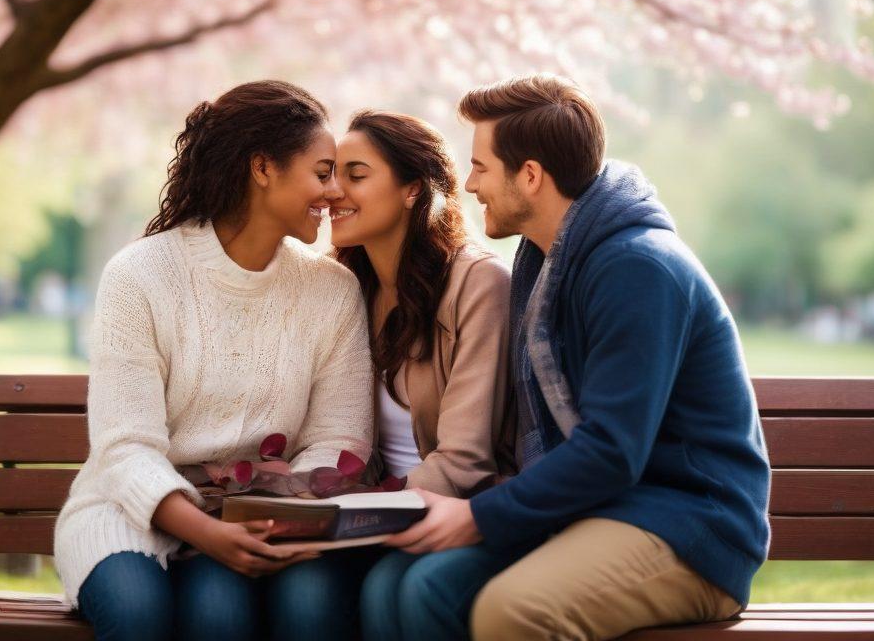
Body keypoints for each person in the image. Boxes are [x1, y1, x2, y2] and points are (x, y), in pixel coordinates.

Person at [383, 74, 771, 640]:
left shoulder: (636, 268)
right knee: (427, 586)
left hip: (690, 527)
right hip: (609, 510)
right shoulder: (549, 264)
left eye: (481, 167)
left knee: (511, 611)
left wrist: (476, 516)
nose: (468, 185)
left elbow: (612, 450)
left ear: (531, 176)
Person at [53, 81, 374, 641]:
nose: (333, 192)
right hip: (129, 512)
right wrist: (203, 529)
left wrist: (277, 517)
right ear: (262, 168)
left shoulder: (331, 290)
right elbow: (125, 447)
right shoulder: (140, 276)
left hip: (260, 521)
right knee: (136, 614)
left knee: (219, 616)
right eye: (321, 172)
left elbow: (338, 436)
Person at [325, 110, 514, 641]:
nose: (335, 191)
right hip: (374, 514)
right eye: (331, 174)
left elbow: (466, 460)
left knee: (392, 588)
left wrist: (354, 514)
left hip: (465, 512)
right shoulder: (346, 289)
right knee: (306, 587)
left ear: (413, 190)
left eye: (356, 175)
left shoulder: (478, 285)